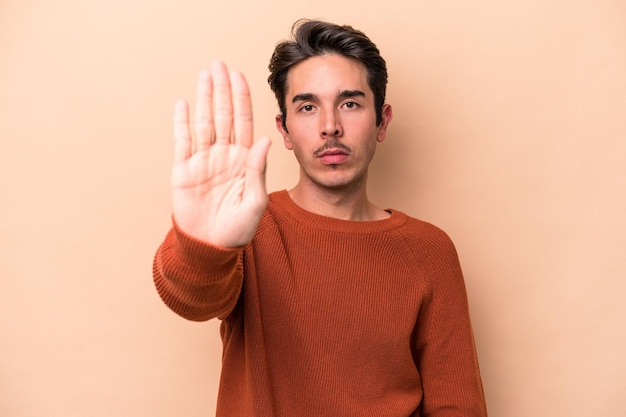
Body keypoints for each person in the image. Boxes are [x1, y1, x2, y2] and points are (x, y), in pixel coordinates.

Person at [153, 19, 488, 417]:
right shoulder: (250, 227)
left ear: (382, 121)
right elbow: (191, 299)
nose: (330, 126)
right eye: (307, 107)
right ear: (285, 129)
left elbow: (458, 406)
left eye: (350, 103)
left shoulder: (428, 250)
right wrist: (206, 245)